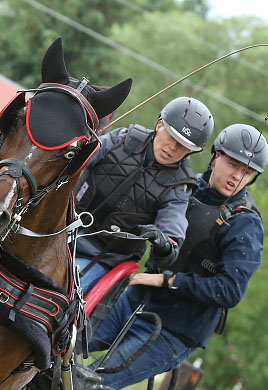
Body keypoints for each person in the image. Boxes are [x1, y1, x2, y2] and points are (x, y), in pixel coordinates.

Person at [87, 123, 268, 390]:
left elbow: (230, 291)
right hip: (133, 301)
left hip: (173, 332)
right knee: (60, 349)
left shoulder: (245, 224)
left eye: (247, 172)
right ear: (216, 155)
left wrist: (166, 281)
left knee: (88, 385)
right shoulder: (183, 186)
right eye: (233, 164)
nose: (237, 177)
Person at [74, 96, 214, 294]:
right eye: (172, 137)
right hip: (61, 227)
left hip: (102, 257)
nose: (173, 147)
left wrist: (164, 244)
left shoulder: (180, 187)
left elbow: (172, 233)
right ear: (159, 125)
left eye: (183, 146)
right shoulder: (122, 138)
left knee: (64, 284)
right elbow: (78, 158)